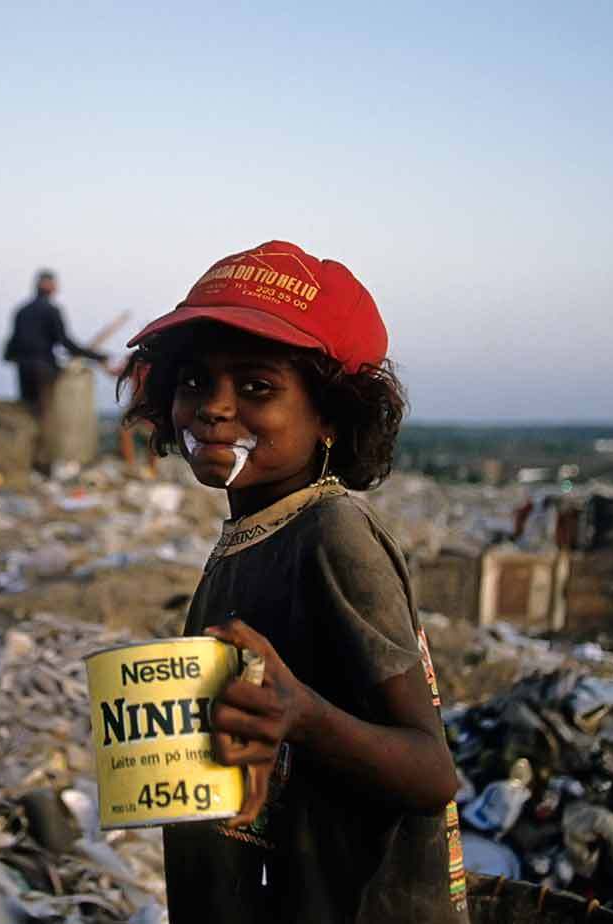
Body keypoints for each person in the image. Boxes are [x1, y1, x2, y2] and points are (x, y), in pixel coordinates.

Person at [120, 241, 467, 923]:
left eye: (256, 388)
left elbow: (431, 772)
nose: (214, 409)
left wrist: (302, 717)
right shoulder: (251, 534)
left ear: (332, 414)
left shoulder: (333, 535)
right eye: (194, 382)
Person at [2, 269, 110, 418]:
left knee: (28, 411)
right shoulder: (51, 310)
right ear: (50, 286)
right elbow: (65, 342)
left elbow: (12, 345)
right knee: (46, 414)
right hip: (43, 368)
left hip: (23, 368)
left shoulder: (21, 311)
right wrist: (96, 356)